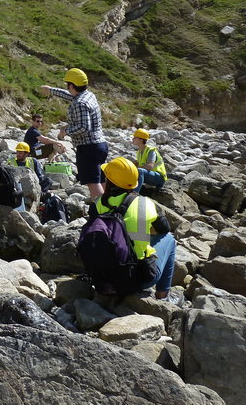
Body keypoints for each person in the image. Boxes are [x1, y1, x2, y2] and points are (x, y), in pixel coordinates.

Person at [90, 157, 176, 299]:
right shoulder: (143, 204)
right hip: (136, 279)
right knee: (169, 239)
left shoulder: (97, 204)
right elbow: (164, 229)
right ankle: (163, 295)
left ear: (109, 181)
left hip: (102, 277)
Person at [41, 68, 108, 200]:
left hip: (88, 148)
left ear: (71, 86)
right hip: (100, 145)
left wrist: (65, 131)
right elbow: (70, 95)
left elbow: (84, 127)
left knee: (93, 183)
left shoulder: (80, 103)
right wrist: (51, 90)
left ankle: (102, 213)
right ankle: (109, 206)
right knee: (100, 179)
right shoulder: (88, 95)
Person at [131, 128, 167, 194]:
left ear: (141, 140)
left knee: (139, 171)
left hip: (159, 178)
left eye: (135, 138)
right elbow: (139, 163)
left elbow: (150, 166)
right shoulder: (139, 152)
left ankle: (134, 193)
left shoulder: (150, 150)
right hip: (150, 175)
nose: (132, 139)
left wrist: (136, 168)